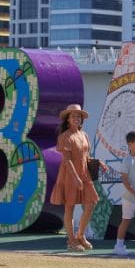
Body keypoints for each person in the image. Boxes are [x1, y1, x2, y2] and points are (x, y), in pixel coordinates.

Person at [51, 103, 99, 252]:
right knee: (69, 207)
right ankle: (71, 240)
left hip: (85, 173)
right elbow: (67, 160)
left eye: (78, 116)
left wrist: (98, 163)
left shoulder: (83, 135)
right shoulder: (65, 136)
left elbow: (85, 156)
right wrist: (75, 178)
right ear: (67, 119)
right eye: (73, 116)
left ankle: (80, 235)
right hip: (69, 175)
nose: (76, 118)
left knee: (91, 203)